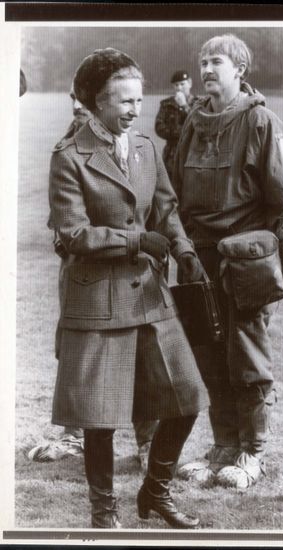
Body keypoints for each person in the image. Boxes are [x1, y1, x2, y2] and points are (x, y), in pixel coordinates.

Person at [48, 48, 209, 529]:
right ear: (95, 102)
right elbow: (72, 234)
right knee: (99, 417)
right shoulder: (68, 157)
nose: (135, 110)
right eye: (124, 101)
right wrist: (136, 239)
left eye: (139, 100)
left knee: (188, 398)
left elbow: (165, 209)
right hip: (95, 300)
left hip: (148, 297)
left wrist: (183, 250)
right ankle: (104, 515)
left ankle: (155, 493)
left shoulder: (144, 145)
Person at [173, 34, 283, 490]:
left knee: (245, 356)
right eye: (203, 62)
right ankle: (224, 447)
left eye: (217, 62)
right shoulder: (192, 121)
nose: (207, 69)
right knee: (209, 355)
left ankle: (254, 453)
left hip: (246, 262)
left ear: (240, 70)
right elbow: (173, 193)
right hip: (199, 261)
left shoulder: (262, 122)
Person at [29, 85, 158, 471]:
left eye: (80, 99)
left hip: (129, 272)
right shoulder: (70, 147)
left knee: (141, 359)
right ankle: (77, 436)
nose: (74, 106)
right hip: (85, 272)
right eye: (71, 99)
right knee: (81, 359)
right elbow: (67, 226)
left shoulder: (133, 144)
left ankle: (147, 442)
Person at [155, 70, 197, 181]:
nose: (179, 88)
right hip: (171, 155)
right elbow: (159, 127)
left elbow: (199, 125)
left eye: (182, 84)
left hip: (193, 153)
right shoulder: (166, 104)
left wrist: (184, 106)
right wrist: (182, 132)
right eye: (176, 85)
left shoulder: (199, 103)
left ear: (190, 83)